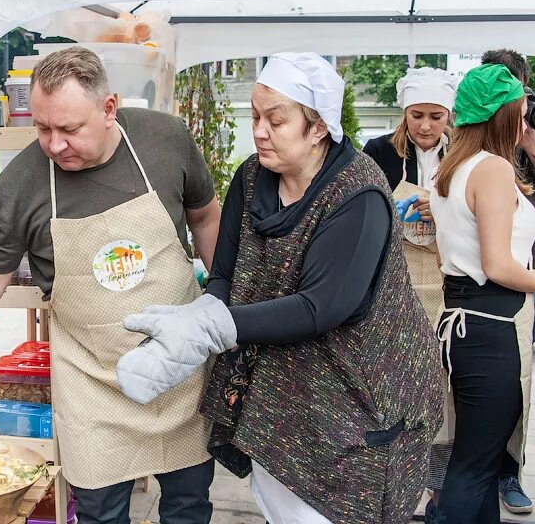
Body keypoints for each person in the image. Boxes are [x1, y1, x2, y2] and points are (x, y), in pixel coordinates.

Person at [116, 53, 444, 524]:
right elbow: (226, 275)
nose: (260, 130)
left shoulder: (359, 193)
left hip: (363, 397)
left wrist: (213, 327)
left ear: (318, 128)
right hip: (284, 396)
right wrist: (196, 321)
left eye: (276, 120)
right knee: (279, 503)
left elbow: (321, 307)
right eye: (255, 117)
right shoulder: (252, 179)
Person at [0, 46, 223, 524]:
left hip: (178, 369)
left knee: (188, 505)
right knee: (100, 515)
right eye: (43, 128)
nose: (54, 144)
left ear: (109, 109)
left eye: (68, 129)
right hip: (91, 383)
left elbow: (206, 218)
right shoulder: (22, 181)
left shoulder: (164, 140)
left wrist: (226, 298)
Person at [426, 63, 535, 524]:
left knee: (478, 464)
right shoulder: (489, 169)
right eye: (520, 110)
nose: (526, 118)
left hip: (464, 325)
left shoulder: (456, 166)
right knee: (475, 466)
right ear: (503, 115)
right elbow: (499, 265)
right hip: (490, 331)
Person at [479, 49, 535, 515]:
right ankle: (468, 470)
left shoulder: (528, 134)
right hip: (477, 277)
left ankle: (510, 470)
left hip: (523, 272)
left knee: (519, 381)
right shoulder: (472, 134)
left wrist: (532, 144)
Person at [363, 66, 458, 320]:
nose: (425, 126)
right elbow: (361, 208)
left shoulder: (460, 154)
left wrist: (442, 210)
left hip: (447, 267)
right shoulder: (379, 150)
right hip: (395, 270)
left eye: (436, 117)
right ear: (404, 113)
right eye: (417, 115)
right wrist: (391, 209)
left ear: (449, 115)